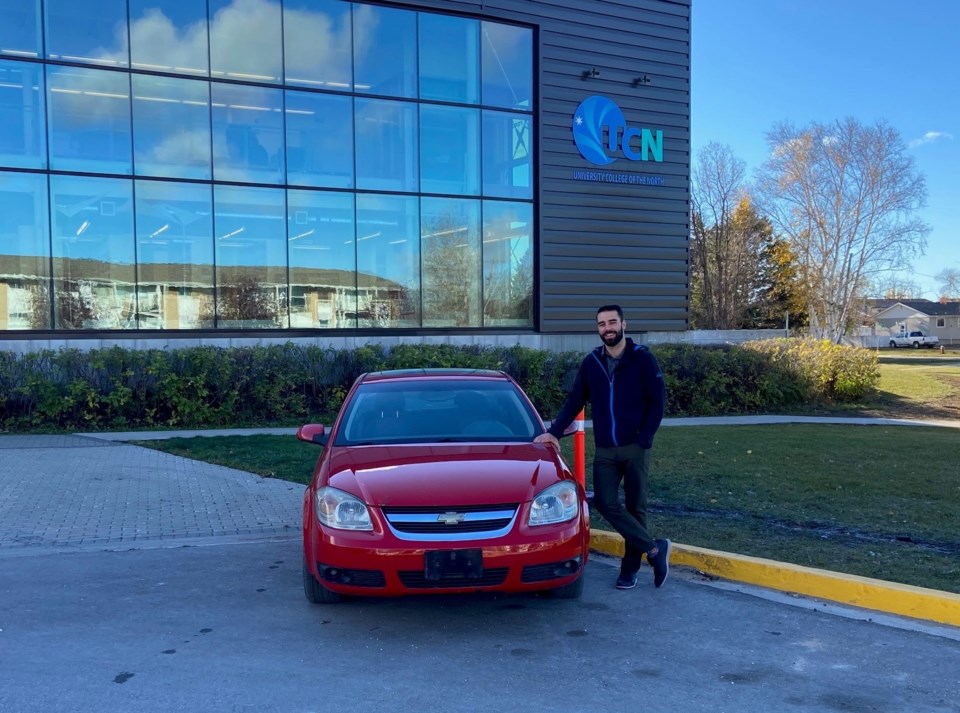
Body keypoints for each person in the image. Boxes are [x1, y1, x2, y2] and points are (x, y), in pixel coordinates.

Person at [534, 305, 670, 589]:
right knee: (606, 503)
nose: (607, 328)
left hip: (635, 446)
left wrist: (645, 438)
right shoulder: (592, 362)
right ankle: (655, 550)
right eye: (601, 324)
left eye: (612, 322)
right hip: (606, 449)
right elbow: (575, 400)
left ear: (623, 324)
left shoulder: (642, 359)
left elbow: (657, 402)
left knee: (636, 508)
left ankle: (629, 570)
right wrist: (553, 432)